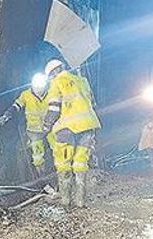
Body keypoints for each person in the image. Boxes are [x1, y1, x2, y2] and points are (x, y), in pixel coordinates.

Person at [42, 58, 101, 208]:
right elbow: (93, 104)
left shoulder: (56, 82)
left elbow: (54, 109)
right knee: (81, 163)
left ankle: (65, 201)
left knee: (63, 164)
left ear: (52, 73)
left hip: (67, 129)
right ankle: (80, 201)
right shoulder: (83, 80)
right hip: (88, 126)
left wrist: (46, 127)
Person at [0, 72, 55, 180]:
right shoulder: (26, 95)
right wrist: (6, 116)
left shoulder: (52, 93)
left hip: (51, 128)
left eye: (41, 87)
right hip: (34, 131)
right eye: (36, 87)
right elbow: (16, 106)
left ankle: (59, 176)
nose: (39, 90)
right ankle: (42, 179)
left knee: (58, 150)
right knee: (38, 157)